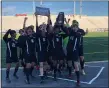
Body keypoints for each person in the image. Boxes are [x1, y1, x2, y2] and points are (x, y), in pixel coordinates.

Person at [62, 20, 82, 86]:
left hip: (75, 52)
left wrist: (77, 32)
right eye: (74, 27)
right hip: (69, 51)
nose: (75, 28)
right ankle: (70, 74)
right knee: (69, 64)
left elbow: (81, 33)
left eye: (76, 27)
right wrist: (63, 24)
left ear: (77, 28)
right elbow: (65, 30)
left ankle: (78, 80)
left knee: (76, 66)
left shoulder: (78, 34)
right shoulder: (70, 33)